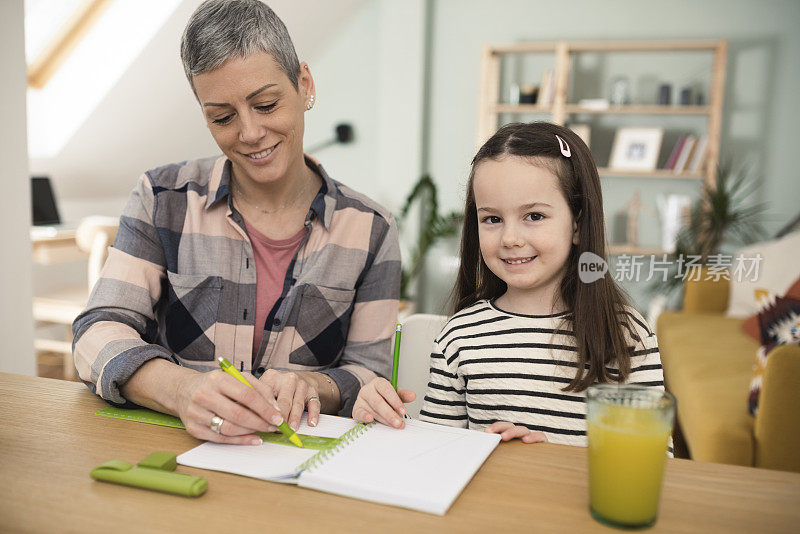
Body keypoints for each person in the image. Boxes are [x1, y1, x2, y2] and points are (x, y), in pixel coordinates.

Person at [72, 0, 400, 446]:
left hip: (299, 461)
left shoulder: (372, 229)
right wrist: (181, 390)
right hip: (176, 452)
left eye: (266, 105)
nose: (249, 133)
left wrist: (313, 387)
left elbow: (371, 372)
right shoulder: (161, 199)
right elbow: (97, 330)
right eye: (222, 117)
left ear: (304, 85)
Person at [353, 122, 667, 448]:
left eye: (533, 216)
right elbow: (436, 452)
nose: (510, 239)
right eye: (492, 219)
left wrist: (551, 459)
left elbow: (654, 459)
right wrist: (385, 421)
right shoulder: (459, 336)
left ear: (577, 223)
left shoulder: (625, 334)